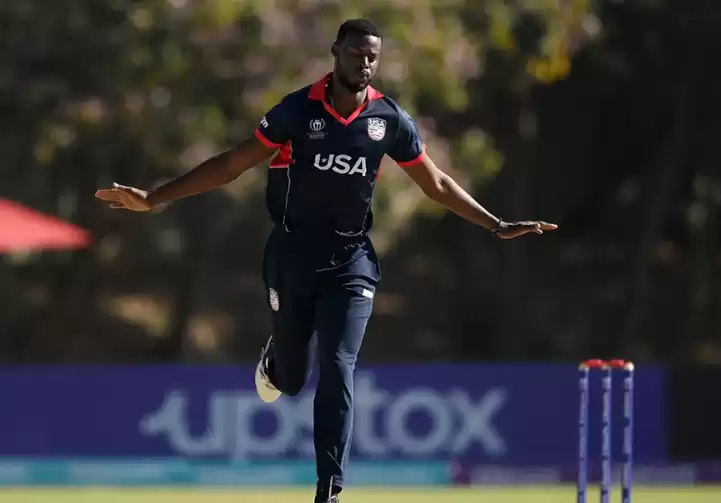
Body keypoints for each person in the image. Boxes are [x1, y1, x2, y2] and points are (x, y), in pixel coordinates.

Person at [95, 18, 557, 503]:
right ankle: (277, 358)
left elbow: (436, 183)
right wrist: (154, 198)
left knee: (338, 364)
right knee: (292, 381)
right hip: (292, 256)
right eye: (356, 53)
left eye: (372, 56)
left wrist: (496, 224)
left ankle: (329, 490)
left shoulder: (388, 120)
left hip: (352, 260)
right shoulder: (297, 110)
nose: (365, 63)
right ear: (336, 52)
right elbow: (232, 164)